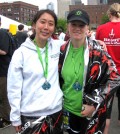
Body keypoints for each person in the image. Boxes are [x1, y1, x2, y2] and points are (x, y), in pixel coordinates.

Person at [58, 9, 120, 134]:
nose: (77, 28)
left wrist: (94, 102)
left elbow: (115, 77)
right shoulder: (60, 49)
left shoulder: (98, 50)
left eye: (81, 25)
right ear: (67, 26)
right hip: (67, 111)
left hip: (91, 114)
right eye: (73, 24)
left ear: (87, 28)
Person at [7, 9, 64, 134]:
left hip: (56, 112)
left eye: (50, 24)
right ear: (34, 25)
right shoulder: (21, 53)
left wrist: (98, 42)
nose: (46, 27)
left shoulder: (58, 46)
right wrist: (15, 117)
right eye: (42, 22)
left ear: (54, 28)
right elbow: (13, 88)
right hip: (30, 115)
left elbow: (78, 45)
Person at [96, 3, 120, 134]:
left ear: (109, 14)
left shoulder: (100, 29)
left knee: (107, 108)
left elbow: (98, 51)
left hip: (108, 73)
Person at [0, 17, 11, 128]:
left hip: (3, 71)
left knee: (4, 96)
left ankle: (7, 119)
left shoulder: (2, 33)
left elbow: (4, 51)